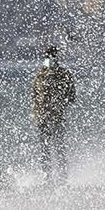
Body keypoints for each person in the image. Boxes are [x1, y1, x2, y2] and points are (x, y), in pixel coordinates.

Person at [31, 45, 76, 183]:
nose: (49, 59)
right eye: (48, 56)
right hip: (43, 117)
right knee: (45, 148)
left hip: (56, 116)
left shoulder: (64, 74)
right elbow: (34, 96)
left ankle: (62, 177)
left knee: (58, 147)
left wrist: (60, 102)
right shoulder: (40, 74)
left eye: (52, 56)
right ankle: (47, 177)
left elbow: (72, 96)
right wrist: (35, 113)